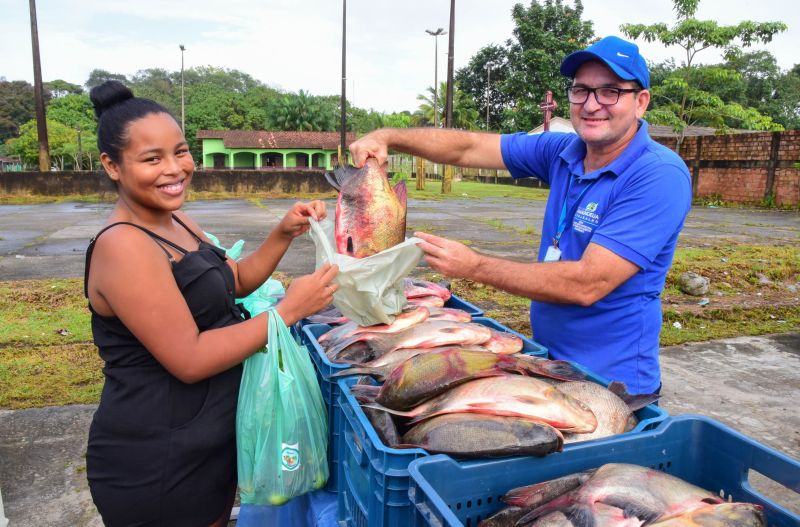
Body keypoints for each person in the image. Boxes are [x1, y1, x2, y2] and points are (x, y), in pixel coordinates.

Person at [349, 36, 691, 395]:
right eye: (581, 90)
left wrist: (473, 266)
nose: (591, 105)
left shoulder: (658, 174)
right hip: (549, 362)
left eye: (610, 92)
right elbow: (469, 148)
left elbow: (588, 283)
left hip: (613, 383)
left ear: (640, 102)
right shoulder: (563, 151)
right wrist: (388, 136)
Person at [83, 80, 338, 526]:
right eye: (151, 159)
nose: (175, 168)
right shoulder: (122, 245)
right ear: (112, 166)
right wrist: (289, 311)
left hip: (207, 441)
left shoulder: (175, 219)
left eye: (180, 152)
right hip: (157, 457)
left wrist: (282, 233)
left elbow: (233, 281)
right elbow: (190, 357)